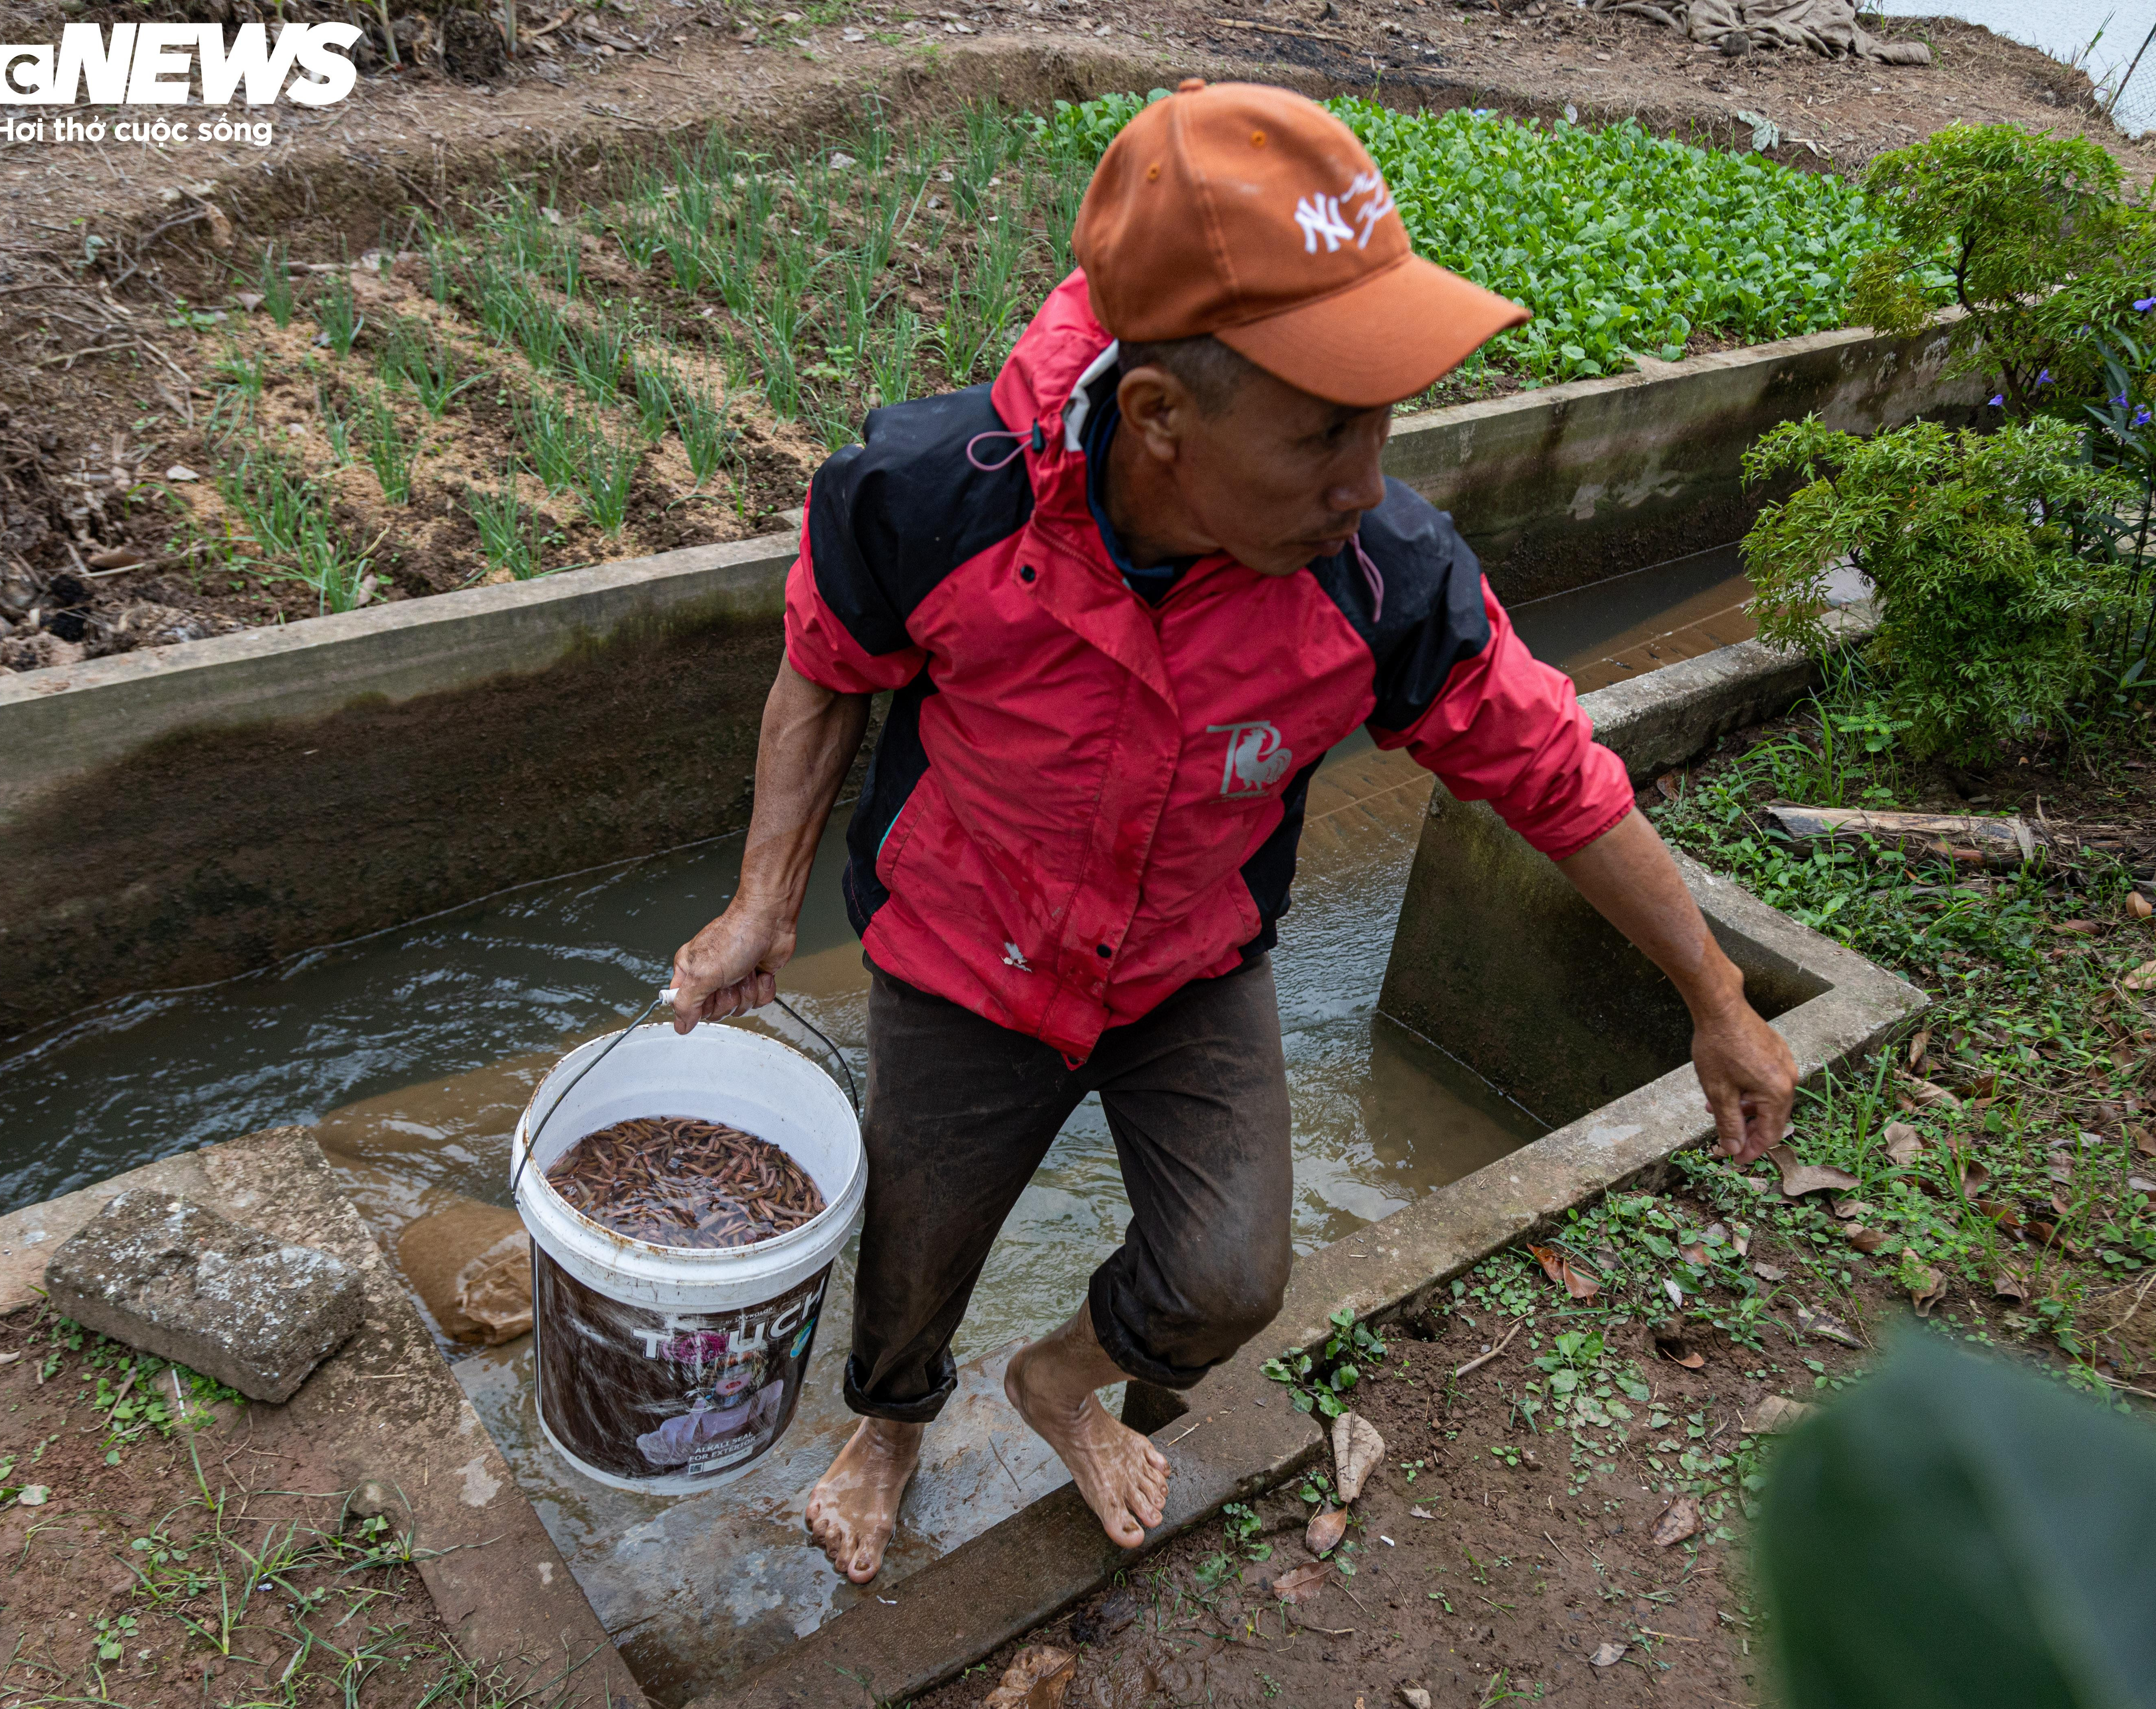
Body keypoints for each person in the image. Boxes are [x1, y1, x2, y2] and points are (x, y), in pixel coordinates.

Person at [667, 80, 1800, 1585]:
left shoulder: (1379, 573)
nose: (1369, 482)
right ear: (1159, 417)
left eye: (1383, 425)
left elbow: (1551, 771)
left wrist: (1716, 998)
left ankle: (1061, 1380)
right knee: (914, 1252)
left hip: (1188, 959)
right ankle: (889, 1422)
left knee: (1228, 1273)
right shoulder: (934, 501)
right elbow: (823, 669)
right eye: (1325, 435)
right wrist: (761, 904)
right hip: (963, 956)